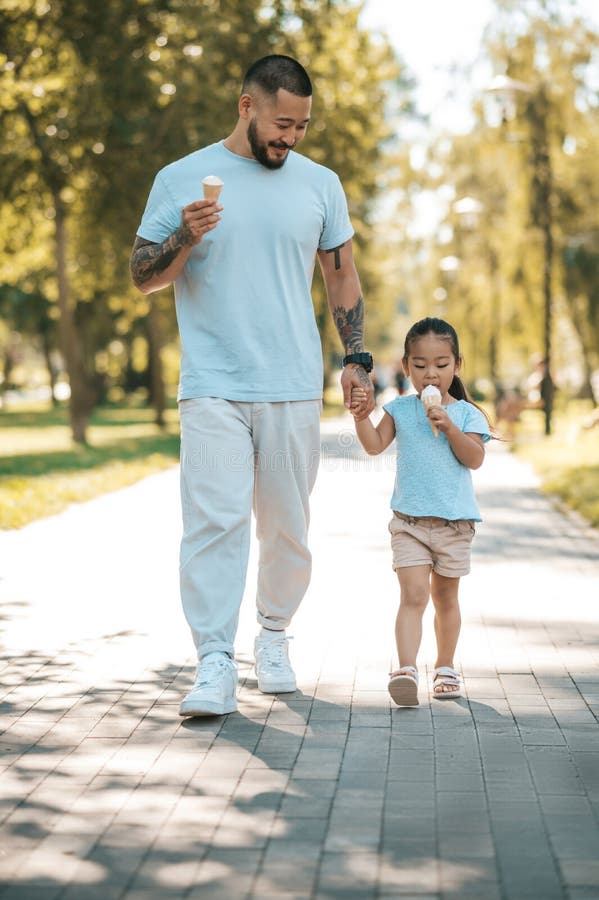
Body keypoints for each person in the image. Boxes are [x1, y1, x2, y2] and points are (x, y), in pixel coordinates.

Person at [130, 55, 374, 717]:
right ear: (246, 106)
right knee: (213, 524)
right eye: (280, 121)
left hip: (293, 383)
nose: (289, 136)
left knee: (287, 528)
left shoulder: (320, 185)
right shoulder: (180, 179)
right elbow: (144, 275)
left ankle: (272, 637)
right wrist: (186, 233)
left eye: (300, 125)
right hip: (212, 382)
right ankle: (213, 662)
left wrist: (356, 357)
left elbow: (341, 279)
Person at [350, 317, 491, 706]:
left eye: (441, 365)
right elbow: (375, 445)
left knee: (445, 599)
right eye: (421, 365)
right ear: (406, 365)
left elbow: (474, 458)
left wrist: (449, 428)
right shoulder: (400, 409)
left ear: (457, 365)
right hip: (409, 524)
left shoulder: (466, 415)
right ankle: (406, 670)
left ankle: (445, 666)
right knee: (413, 595)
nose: (431, 374)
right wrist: (361, 416)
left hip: (454, 526)